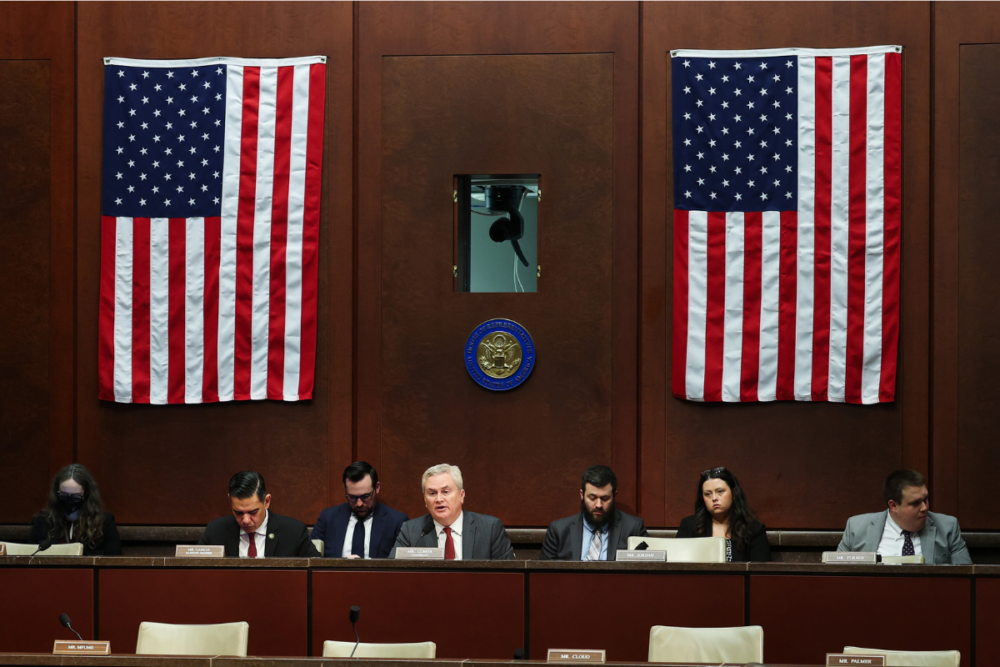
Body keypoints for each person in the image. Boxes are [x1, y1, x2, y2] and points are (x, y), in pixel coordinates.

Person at [837, 469, 972, 564]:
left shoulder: (947, 527)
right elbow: (836, 575)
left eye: (925, 499)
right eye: (916, 503)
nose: (925, 508)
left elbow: (966, 578)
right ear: (893, 506)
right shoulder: (857, 527)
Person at [391, 463, 514, 560]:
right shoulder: (412, 531)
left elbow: (508, 578)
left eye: (445, 492)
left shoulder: (490, 529)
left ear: (461, 495)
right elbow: (393, 575)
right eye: (432, 493)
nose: (439, 499)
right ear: (425, 500)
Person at [198, 471, 319, 558]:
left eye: (253, 512)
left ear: (266, 501)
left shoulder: (293, 532)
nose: (245, 520)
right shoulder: (215, 531)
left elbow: (316, 572)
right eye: (238, 512)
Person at [539, 465, 648, 560]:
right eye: (592, 498)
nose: (599, 505)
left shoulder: (633, 528)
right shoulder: (559, 530)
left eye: (605, 498)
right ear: (582, 495)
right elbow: (543, 575)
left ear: (614, 496)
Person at [311, 461, 409, 558]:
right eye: (352, 497)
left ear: (377, 488)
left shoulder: (396, 521)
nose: (359, 504)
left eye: (366, 496)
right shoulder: (328, 518)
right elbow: (312, 558)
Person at [676, 467, 770, 562]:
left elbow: (761, 572)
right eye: (708, 494)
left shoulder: (753, 529)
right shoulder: (689, 525)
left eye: (720, 491)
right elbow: (676, 564)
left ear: (734, 493)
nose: (714, 498)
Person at [30, 464, 122, 556]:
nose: (69, 501)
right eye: (64, 495)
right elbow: (30, 557)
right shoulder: (42, 521)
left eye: (76, 497)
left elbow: (114, 561)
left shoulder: (104, 522)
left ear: (86, 495)